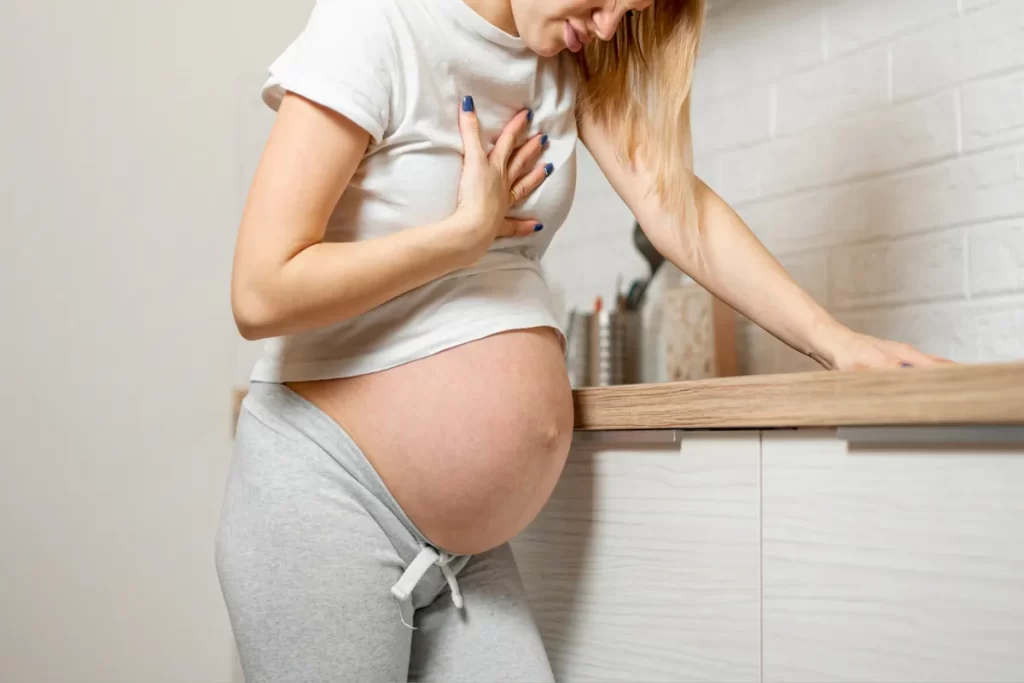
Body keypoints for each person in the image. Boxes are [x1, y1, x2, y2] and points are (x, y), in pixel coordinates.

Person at [215, 1, 950, 681]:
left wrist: (835, 342)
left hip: (459, 552)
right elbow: (260, 289)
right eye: (601, 2)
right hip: (327, 499)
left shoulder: (562, 59)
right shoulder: (381, 22)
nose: (604, 28)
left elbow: (673, 202)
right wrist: (461, 238)